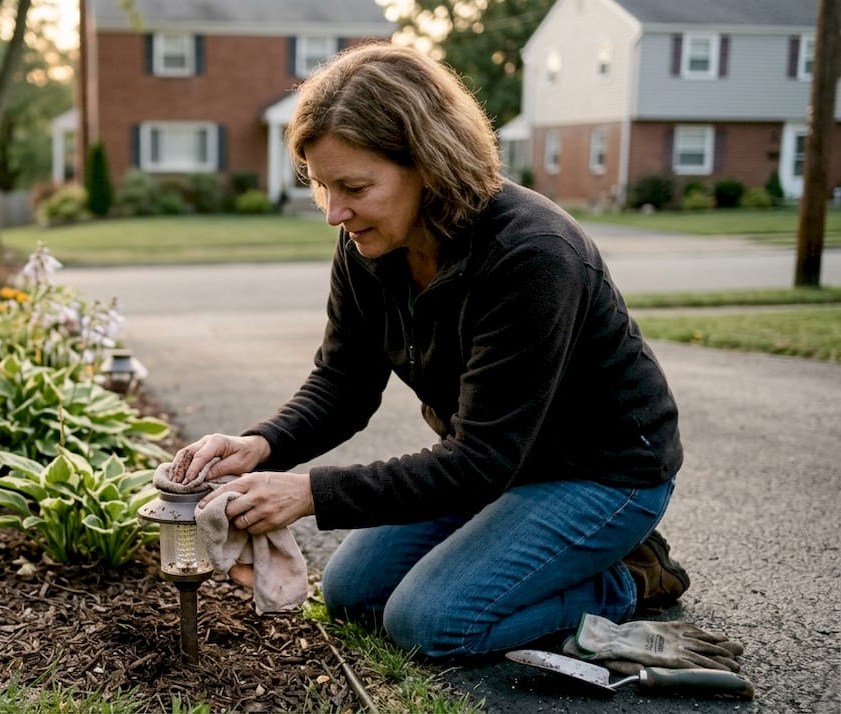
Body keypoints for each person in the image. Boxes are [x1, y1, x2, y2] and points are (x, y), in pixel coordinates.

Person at [165, 41, 691, 660]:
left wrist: (308, 492)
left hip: (604, 473)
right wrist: (261, 444)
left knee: (429, 622)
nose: (335, 212)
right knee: (353, 595)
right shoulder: (370, 243)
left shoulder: (532, 254)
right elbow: (343, 384)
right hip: (500, 467)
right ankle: (529, 551)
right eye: (322, 186)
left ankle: (625, 577)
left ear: (428, 163)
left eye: (354, 186)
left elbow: (480, 459)